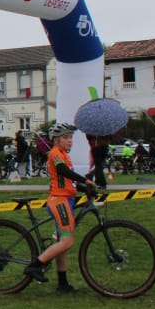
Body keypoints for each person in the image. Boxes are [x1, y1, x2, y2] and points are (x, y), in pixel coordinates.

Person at [22, 122, 97, 292]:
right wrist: (84, 180)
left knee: (62, 243)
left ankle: (62, 283)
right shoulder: (55, 154)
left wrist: (87, 189)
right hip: (59, 201)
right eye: (65, 137)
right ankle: (35, 266)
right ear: (56, 140)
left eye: (71, 137)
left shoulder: (64, 155)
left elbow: (68, 182)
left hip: (66, 199)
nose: (69, 141)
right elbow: (63, 171)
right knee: (67, 241)